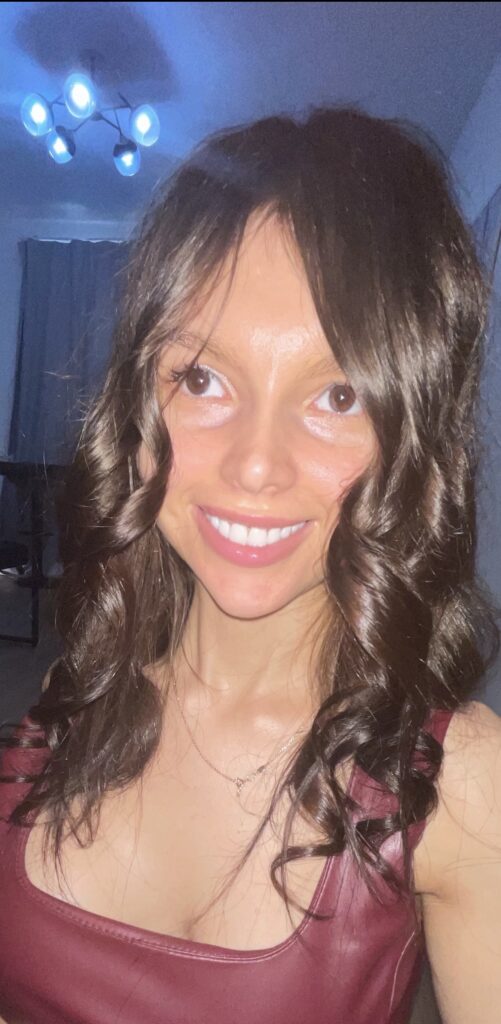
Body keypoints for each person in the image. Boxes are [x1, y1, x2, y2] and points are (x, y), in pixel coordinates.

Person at [1, 105, 500, 1024]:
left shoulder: (457, 780)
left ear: (411, 439)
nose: (254, 465)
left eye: (337, 395)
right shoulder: (64, 708)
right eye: (202, 379)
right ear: (137, 411)